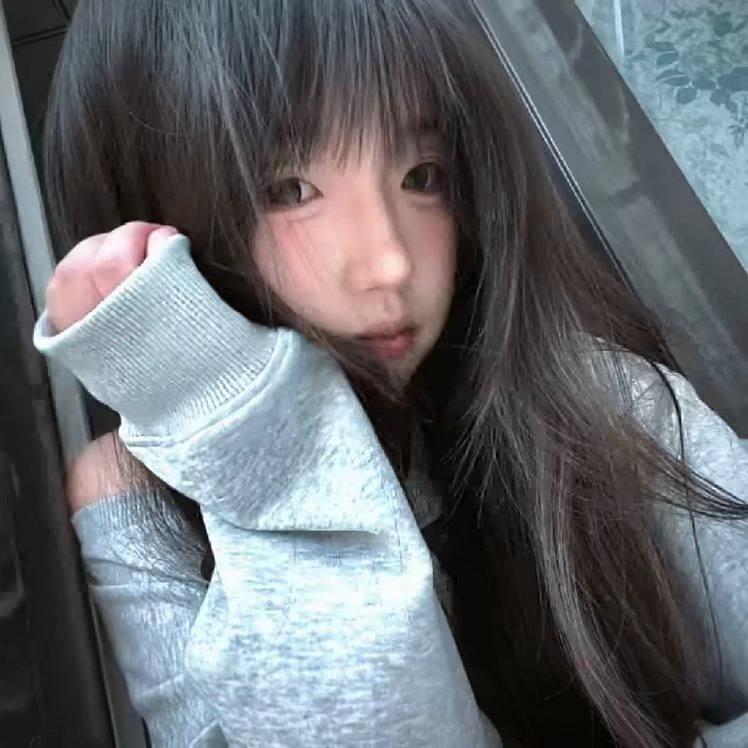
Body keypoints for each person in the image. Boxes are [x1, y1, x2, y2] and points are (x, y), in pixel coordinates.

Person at [31, 0, 748, 745]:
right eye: (288, 190)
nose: (391, 261)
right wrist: (253, 446)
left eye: (422, 176)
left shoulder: (595, 398)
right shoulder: (134, 498)